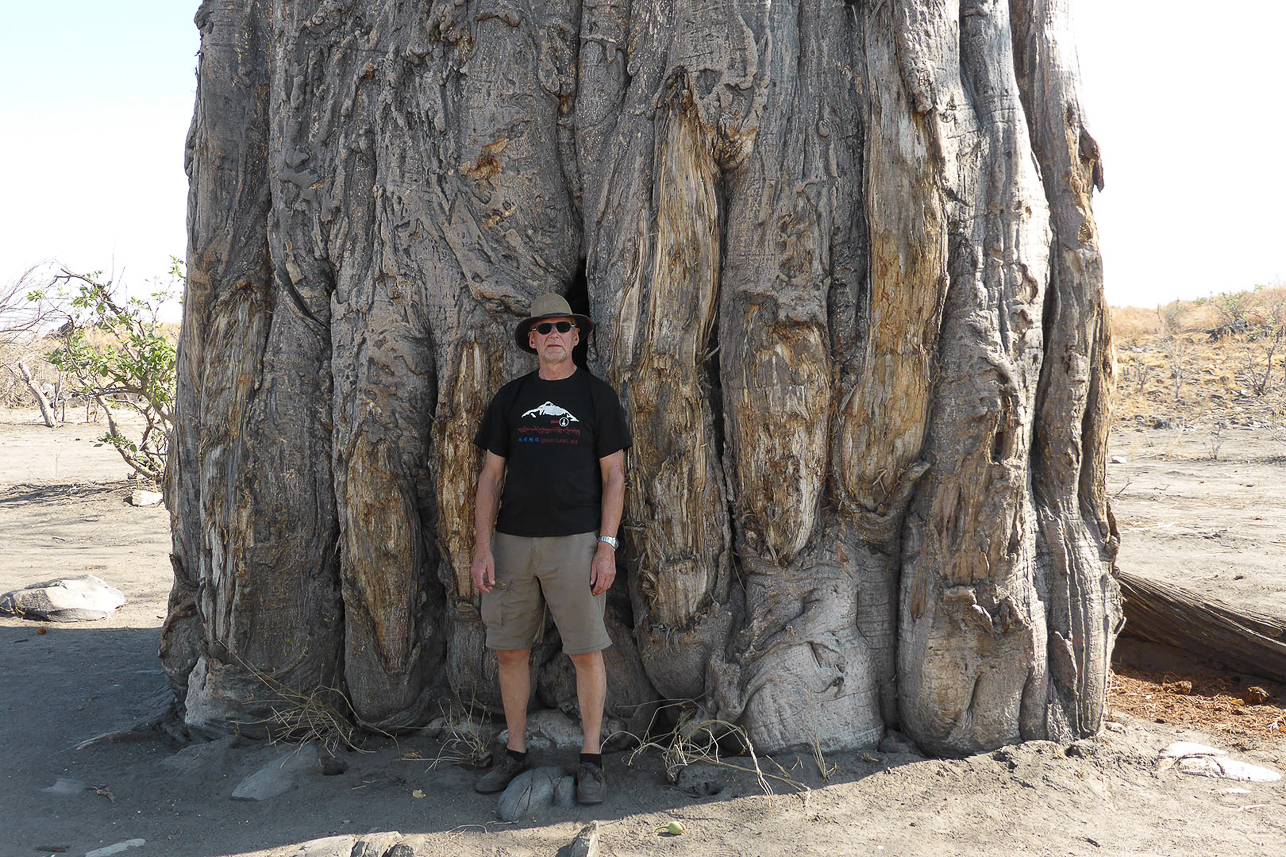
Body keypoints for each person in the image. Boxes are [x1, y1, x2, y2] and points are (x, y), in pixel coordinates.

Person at [469, 293, 630, 805]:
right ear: (533, 341)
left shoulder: (597, 398)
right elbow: (490, 477)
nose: (555, 334)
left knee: (585, 650)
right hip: (512, 544)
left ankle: (590, 759)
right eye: (545, 329)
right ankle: (515, 752)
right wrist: (482, 547)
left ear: (576, 337)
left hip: (577, 543)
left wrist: (606, 546)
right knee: (510, 650)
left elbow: (615, 475)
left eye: (564, 326)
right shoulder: (511, 398)